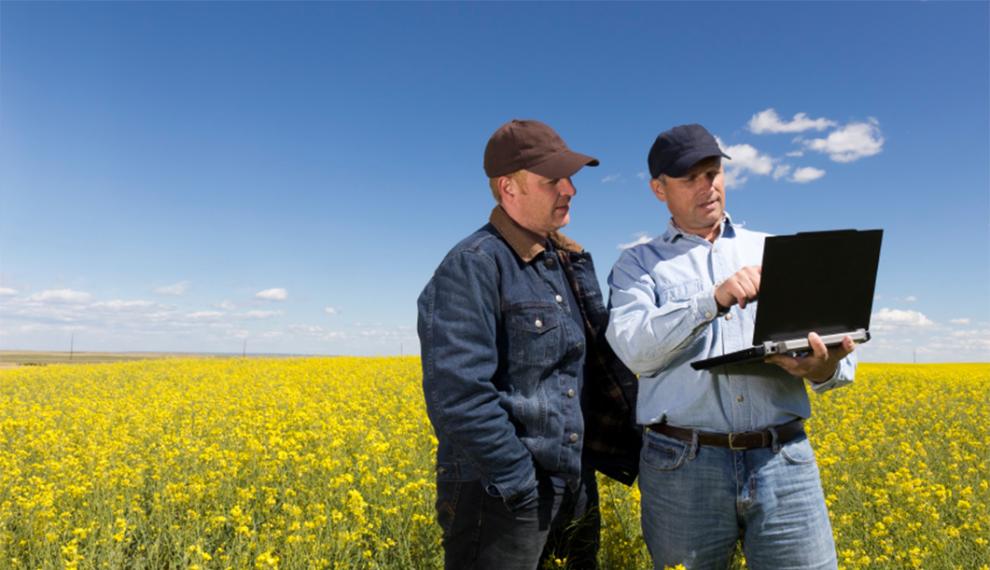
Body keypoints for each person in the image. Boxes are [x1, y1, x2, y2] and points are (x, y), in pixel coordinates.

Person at [605, 123, 856, 570]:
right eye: (691, 177)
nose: (709, 186)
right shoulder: (637, 265)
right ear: (659, 189)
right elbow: (635, 351)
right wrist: (712, 300)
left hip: (784, 460)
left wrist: (819, 368)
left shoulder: (777, 251)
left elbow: (839, 367)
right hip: (684, 466)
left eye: (714, 172)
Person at [417, 119, 641, 570]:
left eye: (571, 178)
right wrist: (521, 483)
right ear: (508, 188)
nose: (570, 190)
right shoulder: (473, 266)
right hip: (502, 494)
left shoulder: (562, 265)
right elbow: (458, 396)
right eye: (553, 180)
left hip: (570, 487)